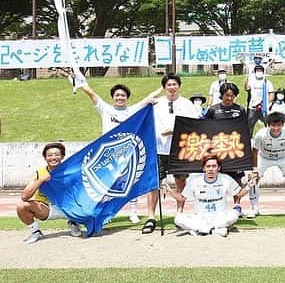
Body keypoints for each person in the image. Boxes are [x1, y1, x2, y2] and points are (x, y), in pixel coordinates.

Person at [79, 81, 161, 223]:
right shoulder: (105, 109)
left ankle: (133, 212)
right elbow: (91, 94)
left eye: (123, 95)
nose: (120, 98)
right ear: (113, 97)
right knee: (106, 184)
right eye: (117, 95)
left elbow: (148, 98)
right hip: (109, 153)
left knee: (130, 181)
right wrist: (81, 83)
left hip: (128, 152)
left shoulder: (133, 110)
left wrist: (162, 88)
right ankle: (106, 213)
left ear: (127, 98)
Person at [142, 73, 198, 235]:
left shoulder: (187, 104)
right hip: (159, 150)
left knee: (181, 181)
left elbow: (193, 125)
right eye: (168, 85)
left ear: (179, 86)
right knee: (155, 184)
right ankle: (151, 217)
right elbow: (141, 107)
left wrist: (175, 130)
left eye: (174, 84)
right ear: (164, 87)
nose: (172, 88)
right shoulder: (156, 103)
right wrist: (153, 96)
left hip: (179, 149)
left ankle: (179, 214)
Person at [163, 156, 255, 237]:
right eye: (208, 166)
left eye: (214, 166)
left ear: (219, 168)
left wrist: (248, 186)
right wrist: (170, 191)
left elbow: (239, 194)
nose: (211, 169)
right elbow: (182, 198)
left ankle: (201, 230)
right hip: (200, 218)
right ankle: (214, 230)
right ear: (203, 168)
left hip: (219, 217)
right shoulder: (195, 181)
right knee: (178, 219)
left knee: (234, 214)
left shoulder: (226, 179)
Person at [17, 143, 83, 243]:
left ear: (62, 156)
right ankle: (35, 232)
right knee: (22, 206)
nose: (53, 157)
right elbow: (25, 197)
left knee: (91, 204)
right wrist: (41, 180)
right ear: (45, 157)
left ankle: (74, 223)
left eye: (57, 154)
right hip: (47, 208)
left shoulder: (70, 171)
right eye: (50, 155)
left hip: (69, 208)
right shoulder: (39, 173)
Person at [204, 82, 251, 217]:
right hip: (217, 151)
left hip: (234, 151)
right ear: (221, 95)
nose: (229, 98)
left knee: (236, 179)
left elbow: (244, 130)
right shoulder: (213, 110)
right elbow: (205, 128)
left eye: (232, 96)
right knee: (216, 179)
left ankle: (237, 206)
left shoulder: (240, 110)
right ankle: (217, 206)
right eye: (227, 95)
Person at [251, 112, 285, 215]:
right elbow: (254, 152)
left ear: (282, 125)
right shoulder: (261, 135)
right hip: (264, 157)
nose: (276, 128)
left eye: (278, 125)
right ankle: (254, 207)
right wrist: (254, 170)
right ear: (268, 125)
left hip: (282, 157)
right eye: (273, 125)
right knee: (253, 180)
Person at [245, 64, 275, 135]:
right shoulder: (251, 81)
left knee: (268, 123)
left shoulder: (267, 82)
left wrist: (266, 104)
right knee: (249, 125)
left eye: (260, 71)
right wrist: (246, 81)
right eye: (257, 71)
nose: (259, 72)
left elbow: (271, 94)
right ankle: (249, 139)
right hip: (253, 107)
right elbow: (247, 89)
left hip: (264, 108)